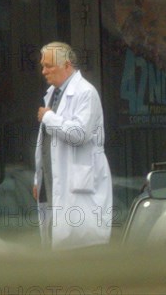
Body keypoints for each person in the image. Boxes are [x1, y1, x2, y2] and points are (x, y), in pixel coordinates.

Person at [34, 42, 113, 250]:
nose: (44, 71)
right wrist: (39, 179)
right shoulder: (52, 93)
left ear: (67, 65)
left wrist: (48, 117)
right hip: (55, 186)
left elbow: (79, 134)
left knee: (82, 253)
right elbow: (47, 145)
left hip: (80, 190)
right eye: (43, 65)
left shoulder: (86, 92)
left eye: (49, 65)